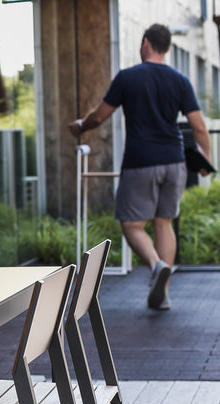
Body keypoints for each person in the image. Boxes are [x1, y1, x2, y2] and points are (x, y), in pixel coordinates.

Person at [68, 23, 210, 311]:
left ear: (145, 43)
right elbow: (199, 127)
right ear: (166, 47)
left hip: (141, 161)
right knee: (164, 222)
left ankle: (157, 265)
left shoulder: (128, 78)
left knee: (132, 224)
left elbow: (98, 117)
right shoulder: (180, 80)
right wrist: (205, 159)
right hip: (174, 160)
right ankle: (163, 293)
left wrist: (80, 125)